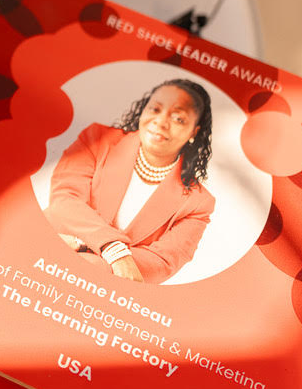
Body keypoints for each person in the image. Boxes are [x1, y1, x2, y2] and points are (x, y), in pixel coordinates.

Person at [43, 79, 215, 284]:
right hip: (41, 254)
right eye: (155, 109)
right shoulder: (97, 139)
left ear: (194, 132)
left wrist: (94, 258)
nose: (160, 122)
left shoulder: (198, 204)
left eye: (178, 118)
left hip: (103, 289)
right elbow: (65, 199)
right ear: (143, 109)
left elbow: (164, 261)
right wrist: (112, 249)